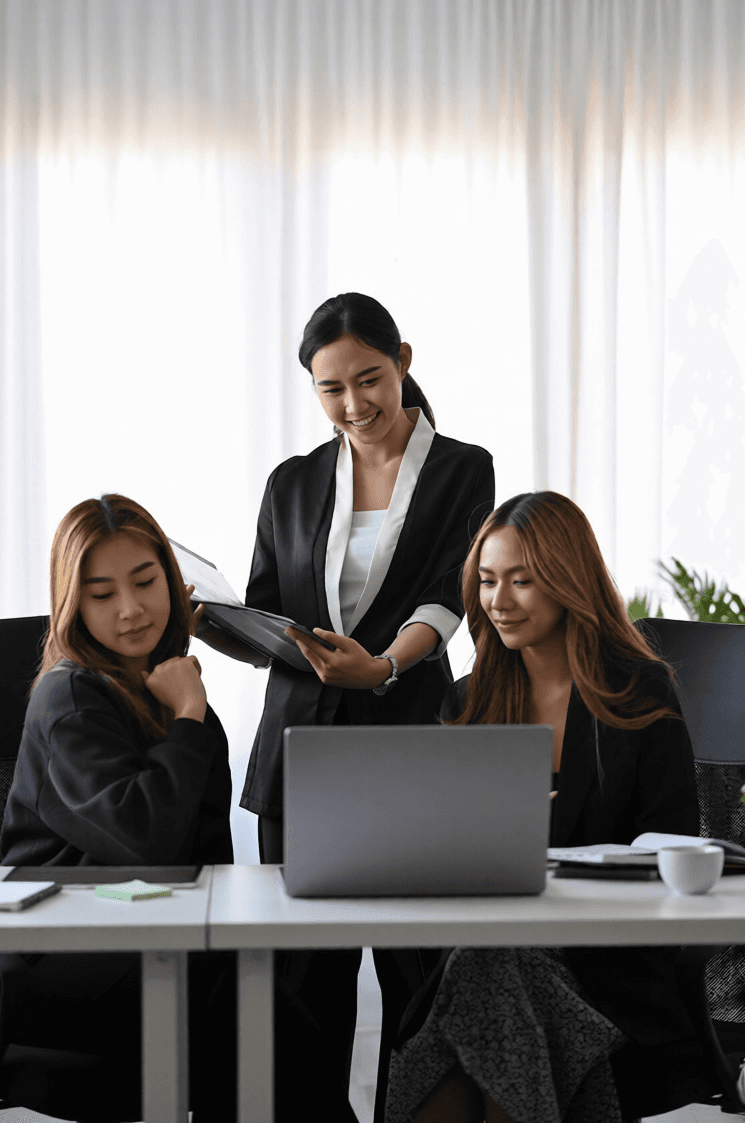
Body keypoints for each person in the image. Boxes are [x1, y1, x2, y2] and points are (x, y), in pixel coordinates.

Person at [0, 493, 356, 1122]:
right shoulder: (72, 695)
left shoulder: (163, 684)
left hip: (150, 941)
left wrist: (187, 713)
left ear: (174, 583)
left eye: (146, 581)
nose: (130, 610)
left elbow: (205, 850)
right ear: (73, 603)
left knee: (265, 1000)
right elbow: (148, 842)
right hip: (65, 959)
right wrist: (188, 714)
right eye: (101, 594)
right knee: (248, 1009)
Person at [227, 292, 496, 1114]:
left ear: (404, 360)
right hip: (300, 749)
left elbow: (451, 597)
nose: (353, 406)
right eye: (330, 389)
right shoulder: (293, 481)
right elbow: (267, 598)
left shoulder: (462, 468)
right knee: (302, 978)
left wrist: (378, 667)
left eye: (369, 379)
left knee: (417, 970)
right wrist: (224, 624)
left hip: (405, 742)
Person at [384, 490, 700, 1123]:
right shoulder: (466, 702)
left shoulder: (637, 694)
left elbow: (670, 847)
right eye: (488, 581)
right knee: (492, 967)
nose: (499, 602)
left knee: (474, 1007)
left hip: (608, 964)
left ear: (568, 582)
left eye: (522, 582)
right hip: (488, 949)